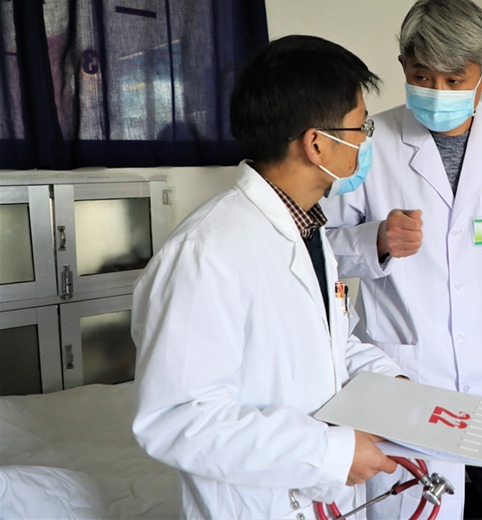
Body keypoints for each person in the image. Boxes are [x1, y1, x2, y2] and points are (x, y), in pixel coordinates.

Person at [324, 0, 482, 520]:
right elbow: (320, 253)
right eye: (422, 77)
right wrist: (375, 240)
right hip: (407, 378)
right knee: (420, 501)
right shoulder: (369, 142)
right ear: (402, 67)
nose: (437, 92)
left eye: (453, 79)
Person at [132, 35, 405, 520]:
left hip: (322, 497)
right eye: (361, 126)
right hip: (257, 505)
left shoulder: (307, 230)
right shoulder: (206, 252)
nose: (366, 141)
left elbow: (330, 342)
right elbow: (179, 420)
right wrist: (330, 454)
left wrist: (393, 385)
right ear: (316, 143)